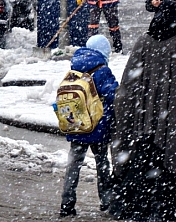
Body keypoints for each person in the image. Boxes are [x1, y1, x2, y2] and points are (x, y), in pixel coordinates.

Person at [109, 0, 176, 222]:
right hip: (170, 136)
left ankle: (138, 208)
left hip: (141, 134)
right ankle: (163, 211)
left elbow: (128, 88)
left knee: (139, 183)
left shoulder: (143, 42)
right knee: (167, 190)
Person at [59, 35, 119, 217]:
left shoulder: (75, 67)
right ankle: (106, 201)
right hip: (97, 127)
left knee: (73, 165)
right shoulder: (102, 70)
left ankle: (66, 204)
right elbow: (113, 95)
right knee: (102, 163)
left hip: (76, 124)